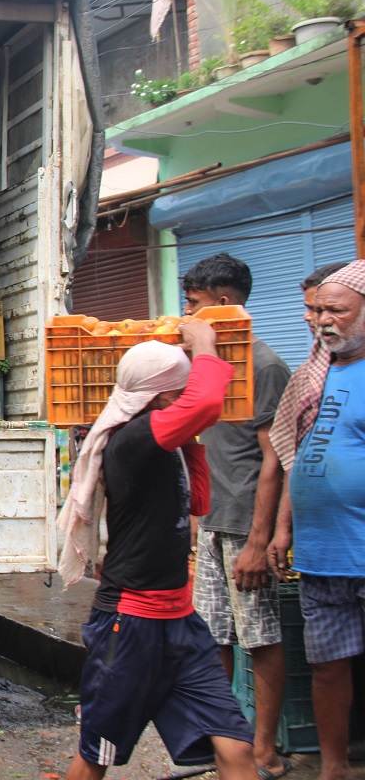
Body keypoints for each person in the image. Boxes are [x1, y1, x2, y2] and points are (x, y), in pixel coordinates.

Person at [57, 322, 256, 780]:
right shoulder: (132, 440)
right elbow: (205, 402)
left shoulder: (167, 441)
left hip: (180, 621)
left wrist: (192, 437)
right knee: (96, 756)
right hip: (129, 623)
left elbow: (199, 502)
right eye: (178, 389)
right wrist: (206, 348)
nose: (186, 396)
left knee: (236, 747)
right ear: (156, 396)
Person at [180, 254, 292, 780]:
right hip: (215, 520)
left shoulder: (265, 366)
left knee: (260, 636)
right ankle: (228, 749)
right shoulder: (211, 367)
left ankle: (265, 750)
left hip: (247, 524)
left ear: (224, 304)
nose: (187, 313)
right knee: (213, 635)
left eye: (196, 304)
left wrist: (260, 538)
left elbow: (276, 458)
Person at [267, 260, 365, 780]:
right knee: (328, 667)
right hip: (322, 550)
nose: (323, 320)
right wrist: (283, 528)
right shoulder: (312, 375)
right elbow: (293, 457)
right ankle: (333, 767)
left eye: (337, 310)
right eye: (318, 310)